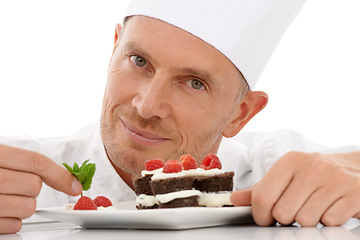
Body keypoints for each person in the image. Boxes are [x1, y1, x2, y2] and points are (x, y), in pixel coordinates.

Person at [0, 0, 360, 234]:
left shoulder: (275, 172)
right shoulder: (15, 176)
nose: (147, 105)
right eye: (139, 61)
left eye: (193, 83)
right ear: (113, 49)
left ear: (241, 113)